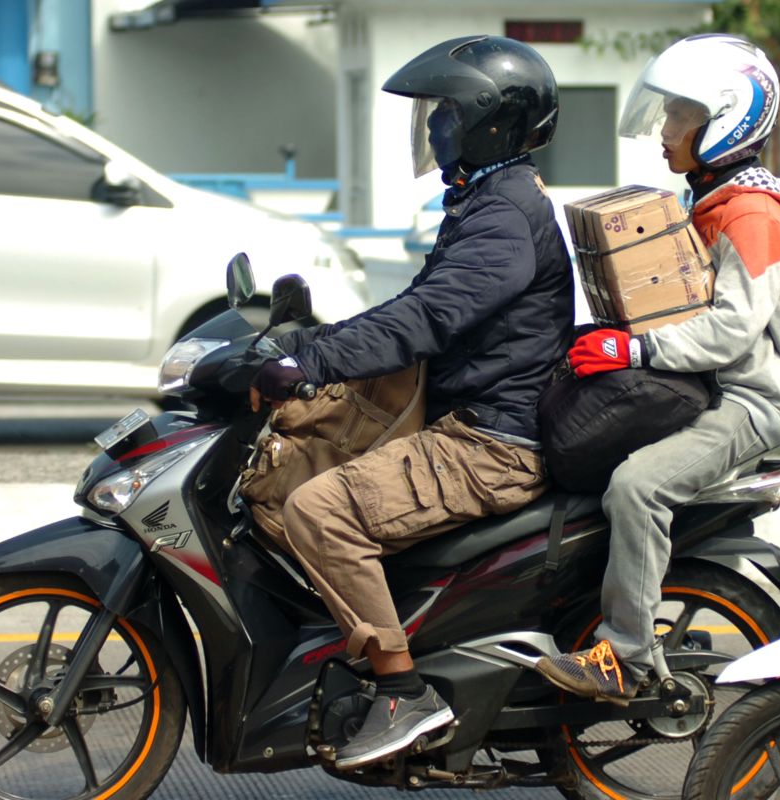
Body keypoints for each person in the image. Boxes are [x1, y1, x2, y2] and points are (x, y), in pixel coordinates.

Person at [246, 35, 574, 768]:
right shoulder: (487, 203)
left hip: (489, 445)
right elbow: (418, 305)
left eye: (448, 112)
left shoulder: (502, 217)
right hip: (472, 425)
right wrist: (315, 338)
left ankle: (403, 693)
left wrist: (313, 361)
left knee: (316, 509)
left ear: (492, 122)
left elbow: (427, 321)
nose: (433, 126)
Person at [535, 34, 780, 704]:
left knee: (636, 486)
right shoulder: (716, 199)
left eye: (680, 118)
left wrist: (632, 352)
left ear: (726, 124)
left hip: (749, 402)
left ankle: (626, 659)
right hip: (702, 386)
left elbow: (729, 331)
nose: (665, 132)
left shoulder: (754, 215)